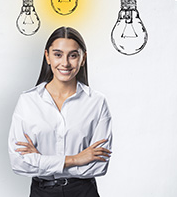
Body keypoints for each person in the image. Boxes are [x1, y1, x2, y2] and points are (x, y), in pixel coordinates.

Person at [8, 26, 112, 197]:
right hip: (42, 192)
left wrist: (40, 160)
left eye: (73, 55)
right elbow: (19, 163)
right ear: (47, 56)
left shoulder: (97, 103)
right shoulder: (28, 101)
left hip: (83, 192)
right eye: (58, 54)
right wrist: (76, 159)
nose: (65, 63)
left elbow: (98, 166)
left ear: (83, 58)